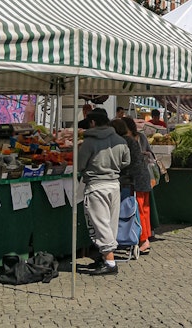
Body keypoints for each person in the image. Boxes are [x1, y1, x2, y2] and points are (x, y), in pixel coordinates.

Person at [78, 108, 130, 275]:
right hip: (114, 184)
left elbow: (79, 164)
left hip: (96, 185)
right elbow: (126, 161)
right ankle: (105, 257)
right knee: (110, 223)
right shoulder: (119, 140)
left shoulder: (89, 142)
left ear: (92, 122)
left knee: (99, 223)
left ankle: (109, 261)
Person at [113, 117, 153, 255]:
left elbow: (126, 163)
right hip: (143, 178)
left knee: (138, 211)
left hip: (135, 180)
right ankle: (146, 238)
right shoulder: (132, 139)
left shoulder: (125, 141)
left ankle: (142, 239)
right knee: (144, 210)